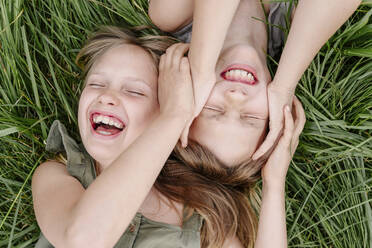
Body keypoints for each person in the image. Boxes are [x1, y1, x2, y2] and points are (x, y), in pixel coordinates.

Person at [32, 25, 306, 248]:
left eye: (135, 92)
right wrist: (174, 116)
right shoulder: (58, 177)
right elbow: (82, 239)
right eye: (96, 84)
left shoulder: (201, 220)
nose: (107, 96)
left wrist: (274, 184)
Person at [148, 0, 361, 160]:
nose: (236, 98)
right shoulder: (288, 23)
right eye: (250, 117)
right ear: (273, 116)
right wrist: (284, 85)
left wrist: (200, 68)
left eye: (214, 110)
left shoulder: (172, 14)